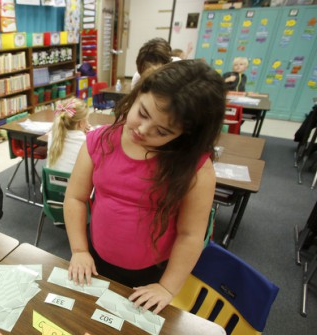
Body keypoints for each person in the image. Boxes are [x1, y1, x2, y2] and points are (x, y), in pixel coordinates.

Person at [64, 60, 225, 314]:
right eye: (143, 113)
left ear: (185, 135)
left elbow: (191, 235)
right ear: (138, 94)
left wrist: (167, 288)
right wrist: (79, 249)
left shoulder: (196, 168)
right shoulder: (100, 140)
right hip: (93, 256)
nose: (142, 129)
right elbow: (75, 197)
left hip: (152, 273)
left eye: (161, 131)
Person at [47, 98, 90, 173]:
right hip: (75, 184)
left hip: (51, 184)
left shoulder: (52, 136)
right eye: (86, 120)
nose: (88, 124)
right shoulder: (86, 142)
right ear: (81, 123)